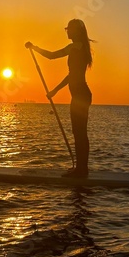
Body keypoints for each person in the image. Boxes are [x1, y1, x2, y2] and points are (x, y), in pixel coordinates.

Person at [25, 19, 93, 178]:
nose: (67, 32)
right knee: (79, 133)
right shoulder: (81, 48)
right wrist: (55, 91)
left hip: (80, 96)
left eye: (69, 29)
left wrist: (34, 48)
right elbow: (72, 76)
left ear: (76, 31)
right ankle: (82, 168)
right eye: (66, 29)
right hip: (80, 94)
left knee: (79, 133)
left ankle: (81, 170)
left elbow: (52, 56)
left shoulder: (75, 47)